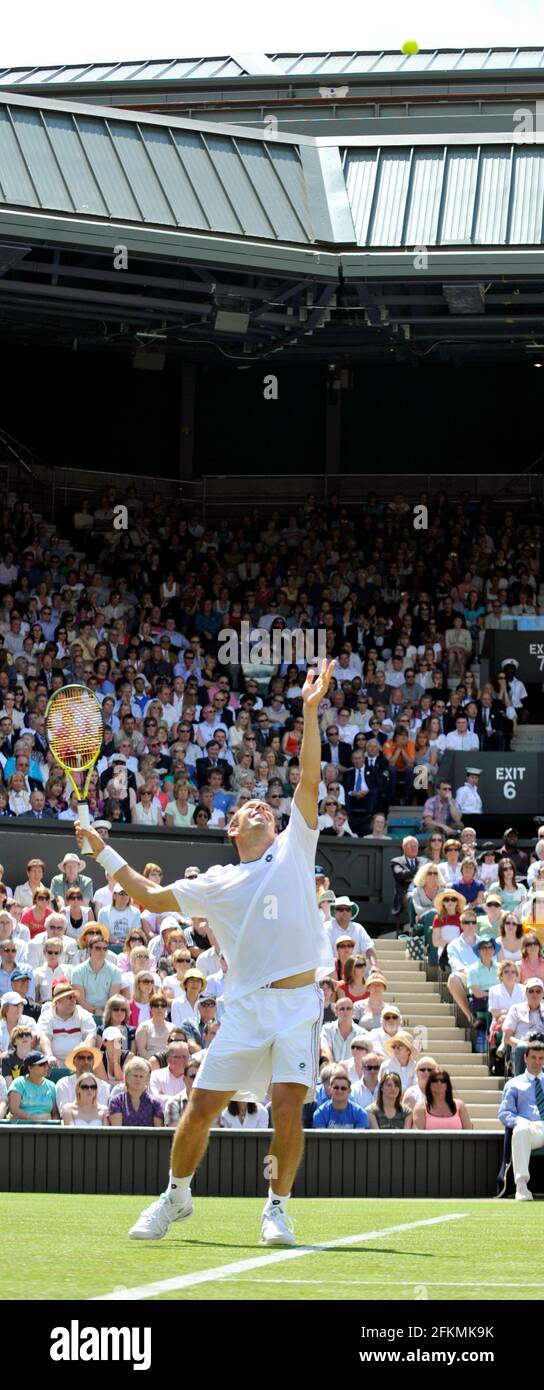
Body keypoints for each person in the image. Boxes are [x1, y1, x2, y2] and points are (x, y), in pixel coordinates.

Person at [74, 657, 336, 1248]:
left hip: (297, 1008)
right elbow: (144, 893)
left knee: (288, 1112)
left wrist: (310, 712)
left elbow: (309, 780)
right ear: (231, 828)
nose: (261, 807)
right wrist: (100, 851)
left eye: (267, 806)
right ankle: (176, 1196)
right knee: (199, 1110)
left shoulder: (296, 846)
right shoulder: (215, 882)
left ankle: (276, 1206)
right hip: (245, 1009)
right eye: (249, 808)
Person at [498, 1036, 544, 1199]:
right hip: (531, 1128)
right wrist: (522, 1121)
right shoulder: (513, 1084)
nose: (537, 1062)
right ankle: (522, 1187)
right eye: (533, 1057)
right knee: (521, 1130)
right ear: (525, 1058)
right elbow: (504, 1114)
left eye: (541, 1058)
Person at [38, 981, 96, 1065]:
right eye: (69, 997)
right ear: (58, 1000)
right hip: (54, 1064)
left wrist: (85, 1057)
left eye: (74, 997)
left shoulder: (83, 1014)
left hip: (79, 1063)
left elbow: (90, 1036)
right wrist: (49, 1056)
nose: (73, 1000)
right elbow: (44, 1038)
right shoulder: (46, 1016)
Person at [108, 1057, 164, 1127]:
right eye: (135, 1076)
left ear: (147, 1080)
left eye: (141, 1076)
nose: (138, 1079)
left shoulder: (155, 1103)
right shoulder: (116, 1102)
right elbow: (117, 1130)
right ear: (127, 1077)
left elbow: (158, 1132)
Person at [55, 1041, 110, 1113]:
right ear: (74, 1061)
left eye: (89, 1058)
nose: (86, 1061)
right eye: (81, 1058)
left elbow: (102, 1113)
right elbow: (64, 1113)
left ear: (93, 1062)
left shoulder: (103, 1086)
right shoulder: (63, 1084)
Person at [8, 1050, 59, 1123]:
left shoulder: (51, 1086)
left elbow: (55, 1113)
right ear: (30, 1068)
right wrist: (33, 1118)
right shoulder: (18, 1083)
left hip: (47, 1130)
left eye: (46, 1063)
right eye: (41, 1064)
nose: (46, 1067)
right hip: (21, 1129)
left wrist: (52, 1127)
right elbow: (14, 1109)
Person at [320, 997, 365, 1063]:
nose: (345, 1011)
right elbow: (325, 1050)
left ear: (353, 1012)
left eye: (348, 1008)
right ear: (336, 1012)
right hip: (331, 1070)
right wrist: (333, 1069)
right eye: (342, 1009)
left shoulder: (362, 1033)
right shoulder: (326, 1029)